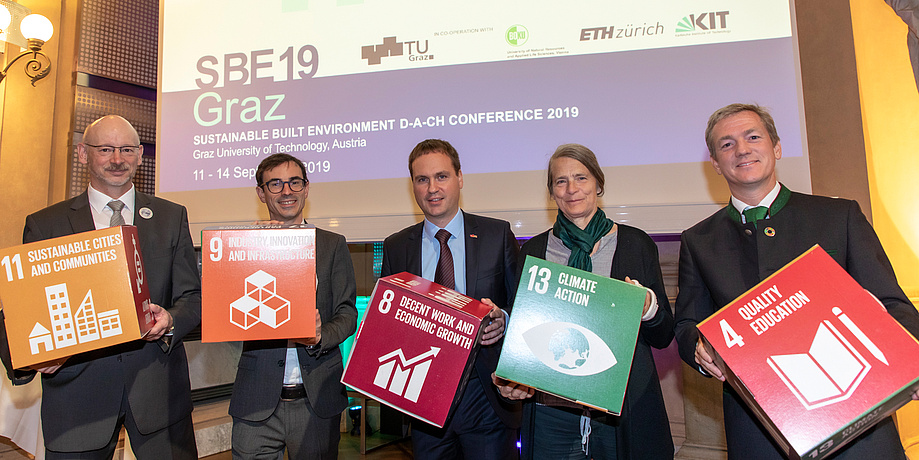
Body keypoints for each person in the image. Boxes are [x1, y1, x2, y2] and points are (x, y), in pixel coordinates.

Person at [674, 103, 919, 460]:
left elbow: (893, 304)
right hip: (758, 434)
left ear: (776, 147)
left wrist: (908, 364)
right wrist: (699, 347)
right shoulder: (699, 240)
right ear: (715, 163)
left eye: (753, 137)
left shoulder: (839, 216)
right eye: (726, 144)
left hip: (859, 424)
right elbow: (686, 324)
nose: (741, 149)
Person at [0, 115, 201, 458]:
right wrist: (30, 360)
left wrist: (170, 318)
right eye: (105, 149)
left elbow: (193, 298)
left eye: (126, 149)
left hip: (159, 396)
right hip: (78, 402)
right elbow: (24, 307)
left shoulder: (171, 216)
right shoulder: (45, 223)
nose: (117, 159)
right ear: (83, 153)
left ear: (140, 155)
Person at [494, 144, 674, 460]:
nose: (572, 189)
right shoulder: (534, 251)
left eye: (581, 177)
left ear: (598, 184)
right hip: (551, 413)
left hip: (620, 409)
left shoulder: (636, 244)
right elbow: (522, 332)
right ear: (551, 192)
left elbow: (663, 336)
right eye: (561, 181)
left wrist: (647, 308)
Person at [381, 139, 521, 459]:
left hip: (486, 392)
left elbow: (522, 305)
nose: (432, 188)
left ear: (460, 178)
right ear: (413, 186)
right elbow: (388, 323)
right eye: (422, 179)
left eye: (441, 176)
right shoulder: (396, 246)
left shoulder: (496, 235)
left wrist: (504, 319)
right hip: (424, 396)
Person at [228, 153, 357, 460]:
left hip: (316, 400)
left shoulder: (332, 244)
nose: (287, 191)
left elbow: (348, 313)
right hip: (256, 401)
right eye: (275, 184)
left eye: (294, 182)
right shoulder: (242, 245)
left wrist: (320, 336)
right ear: (261, 193)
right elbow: (225, 311)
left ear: (306, 188)